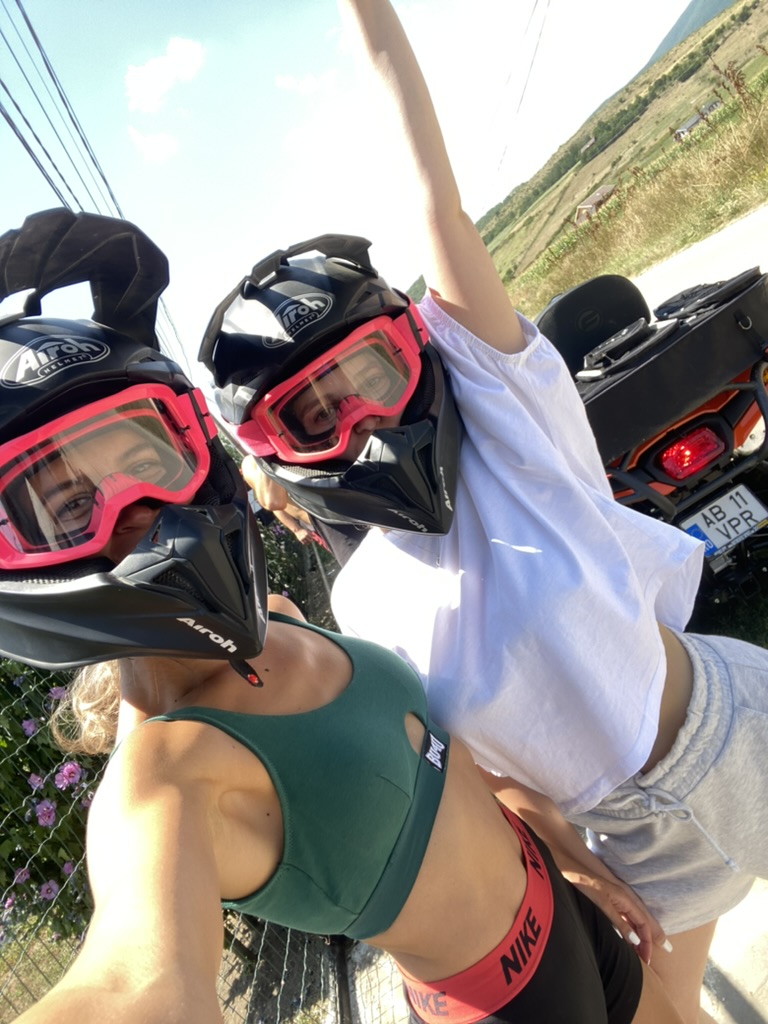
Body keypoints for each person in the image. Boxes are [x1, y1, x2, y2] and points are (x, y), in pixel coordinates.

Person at [198, 3, 768, 1022]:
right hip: (629, 842)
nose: (363, 420)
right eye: (317, 415)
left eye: (369, 374)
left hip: (734, 727)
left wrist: (367, 15)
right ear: (279, 452)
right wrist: (566, 857)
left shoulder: (509, 415)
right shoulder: (365, 606)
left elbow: (436, 200)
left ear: (414, 346)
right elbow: (473, 765)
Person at [0, 212, 682, 1024]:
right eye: (73, 505)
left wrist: (565, 855)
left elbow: (443, 761)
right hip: (504, 1002)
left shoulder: (279, 618)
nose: (142, 512)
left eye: (149, 462)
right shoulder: (162, 779)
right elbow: (137, 982)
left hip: (560, 905)